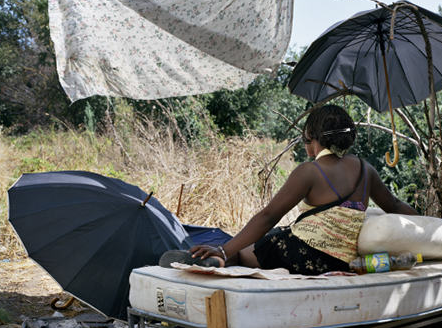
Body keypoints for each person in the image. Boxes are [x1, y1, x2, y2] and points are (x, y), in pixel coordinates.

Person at [160, 104, 419, 276]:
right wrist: (433, 223)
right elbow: (395, 206)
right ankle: (220, 258)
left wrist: (225, 248)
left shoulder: (309, 171)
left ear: (314, 139)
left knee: (248, 248)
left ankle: (218, 261)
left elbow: (268, 215)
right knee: (274, 235)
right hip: (341, 263)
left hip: (302, 253)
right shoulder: (366, 170)